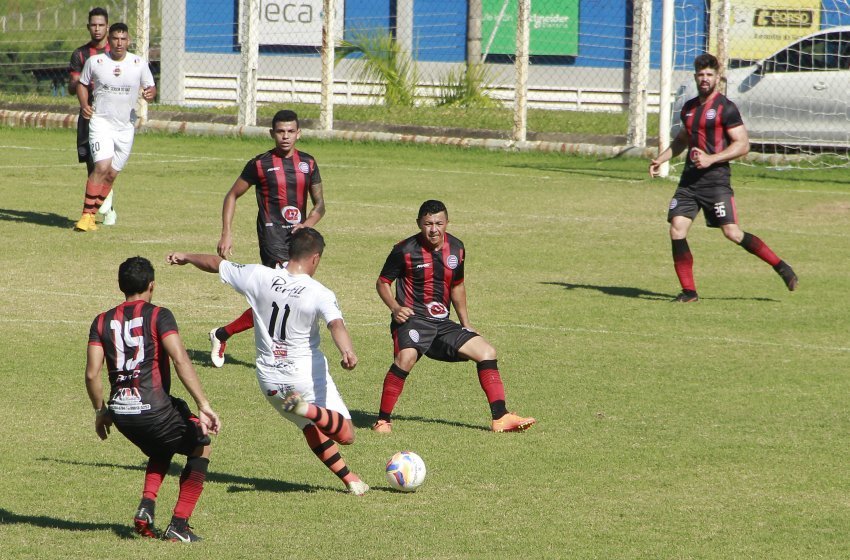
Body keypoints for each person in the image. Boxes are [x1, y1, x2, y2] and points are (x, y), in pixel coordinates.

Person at [167, 228, 369, 496]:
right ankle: (306, 409)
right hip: (304, 377)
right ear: (315, 258)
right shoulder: (319, 292)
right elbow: (336, 324)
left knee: (310, 428)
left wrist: (187, 256)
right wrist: (347, 351)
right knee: (346, 434)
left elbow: (217, 264)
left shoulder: (260, 276)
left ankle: (350, 479)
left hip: (270, 380)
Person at [84, 256, 221, 542]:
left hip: (122, 415)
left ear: (121, 286)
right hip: (154, 409)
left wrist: (101, 412)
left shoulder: (101, 320)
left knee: (164, 443)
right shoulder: (159, 315)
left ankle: (146, 507)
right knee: (201, 445)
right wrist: (204, 404)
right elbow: (180, 359)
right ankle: (179, 526)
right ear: (152, 285)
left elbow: (91, 374)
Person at [372, 200, 536, 433]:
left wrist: (466, 324)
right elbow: (382, 282)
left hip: (442, 324)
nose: (433, 229)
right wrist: (395, 308)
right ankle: (382, 420)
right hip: (412, 320)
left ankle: (501, 417)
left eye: (439, 223)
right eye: (428, 223)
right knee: (406, 358)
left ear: (447, 223)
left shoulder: (457, 248)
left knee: (487, 352)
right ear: (419, 223)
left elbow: (457, 286)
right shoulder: (404, 250)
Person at [649, 53, 798, 302]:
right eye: (700, 75)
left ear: (717, 77)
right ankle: (689, 292)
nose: (704, 79)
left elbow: (742, 145)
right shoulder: (688, 108)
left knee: (732, 233)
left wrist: (711, 158)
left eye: (709, 75)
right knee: (677, 229)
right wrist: (661, 158)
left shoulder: (725, 108)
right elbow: (682, 140)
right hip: (689, 182)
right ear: (695, 77)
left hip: (715, 181)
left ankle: (781, 266)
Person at [208, 109, 326, 367]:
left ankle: (222, 333)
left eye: (290, 131)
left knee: (281, 298)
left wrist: (305, 226)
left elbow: (320, 206)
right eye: (280, 132)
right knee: (283, 296)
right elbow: (231, 195)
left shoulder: (309, 163)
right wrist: (227, 232)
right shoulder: (259, 164)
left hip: (299, 241)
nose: (285, 137)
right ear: (272, 133)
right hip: (272, 239)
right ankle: (280, 355)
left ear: (299, 133)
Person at [73, 22, 156, 232]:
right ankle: (86, 215)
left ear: (128, 41)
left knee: (111, 174)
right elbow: (82, 84)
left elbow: (151, 87)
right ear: (109, 41)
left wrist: (150, 94)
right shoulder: (96, 62)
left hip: (126, 127)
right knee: (101, 166)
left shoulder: (138, 63)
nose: (119, 42)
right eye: (115, 38)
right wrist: (84, 105)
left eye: (123, 39)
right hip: (101, 122)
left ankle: (92, 215)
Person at [68, 7, 117, 226]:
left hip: (113, 117)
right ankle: (100, 210)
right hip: (89, 115)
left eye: (101, 25)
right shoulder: (80, 54)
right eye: (93, 25)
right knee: (92, 162)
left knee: (108, 164)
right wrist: (78, 85)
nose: (97, 29)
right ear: (88, 27)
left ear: (107, 27)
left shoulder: (116, 52)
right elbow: (73, 86)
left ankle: (107, 208)